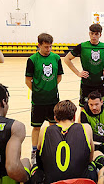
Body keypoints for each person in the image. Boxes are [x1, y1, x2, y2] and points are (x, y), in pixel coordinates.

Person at [36, 100, 98, 184]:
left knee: (32, 167)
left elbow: (39, 157)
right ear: (74, 117)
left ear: (55, 118)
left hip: (52, 181)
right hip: (81, 181)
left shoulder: (45, 130)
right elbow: (90, 159)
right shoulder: (86, 128)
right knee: (96, 163)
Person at [25, 33, 64, 164]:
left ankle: (53, 149)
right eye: (46, 47)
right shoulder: (32, 60)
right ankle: (34, 151)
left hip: (53, 100)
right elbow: (27, 80)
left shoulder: (56, 58)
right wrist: (39, 90)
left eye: (50, 46)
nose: (48, 49)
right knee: (36, 127)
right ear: (39, 45)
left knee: (53, 126)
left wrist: (50, 87)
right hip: (38, 101)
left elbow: (59, 77)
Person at [64, 23, 104, 108]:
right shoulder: (82, 46)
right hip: (86, 83)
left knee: (103, 107)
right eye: (92, 33)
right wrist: (78, 73)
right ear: (89, 34)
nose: (94, 36)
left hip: (100, 83)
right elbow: (67, 59)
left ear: (100, 35)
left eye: (96, 34)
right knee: (83, 108)